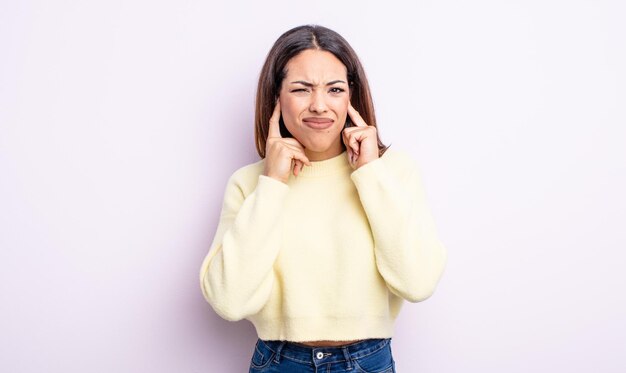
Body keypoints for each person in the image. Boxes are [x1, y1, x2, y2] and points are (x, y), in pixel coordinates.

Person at [199, 24, 448, 372]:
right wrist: (272, 183)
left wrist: (369, 174)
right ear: (276, 99)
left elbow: (418, 282)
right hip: (278, 362)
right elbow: (229, 301)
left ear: (351, 97)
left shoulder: (392, 171)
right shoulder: (250, 183)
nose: (319, 105)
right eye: (301, 89)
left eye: (334, 89)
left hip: (367, 361)